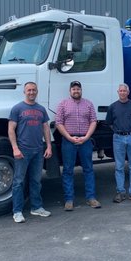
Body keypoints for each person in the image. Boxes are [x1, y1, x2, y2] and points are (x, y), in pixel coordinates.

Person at [8, 81, 53, 223]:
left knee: (36, 181)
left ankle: (36, 207)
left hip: (38, 150)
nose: (32, 92)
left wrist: (49, 146)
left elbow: (45, 128)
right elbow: (11, 129)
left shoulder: (41, 109)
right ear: (24, 92)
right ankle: (17, 211)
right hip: (23, 150)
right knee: (18, 182)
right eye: (29, 90)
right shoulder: (17, 108)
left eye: (34, 90)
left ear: (37, 91)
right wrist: (15, 148)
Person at [55, 81, 101, 211]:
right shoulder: (63, 104)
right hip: (68, 140)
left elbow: (93, 121)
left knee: (88, 169)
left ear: (81, 90)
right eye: (74, 89)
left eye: (78, 89)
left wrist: (86, 137)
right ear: (70, 91)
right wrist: (69, 137)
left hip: (85, 140)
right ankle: (69, 200)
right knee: (68, 170)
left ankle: (91, 198)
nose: (76, 91)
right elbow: (59, 123)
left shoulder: (89, 104)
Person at [105, 83, 131, 203]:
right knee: (119, 167)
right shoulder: (112, 107)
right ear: (118, 92)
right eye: (120, 91)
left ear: (128, 92)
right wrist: (119, 132)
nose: (122, 93)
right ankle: (120, 192)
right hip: (118, 137)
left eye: (124, 91)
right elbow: (110, 123)